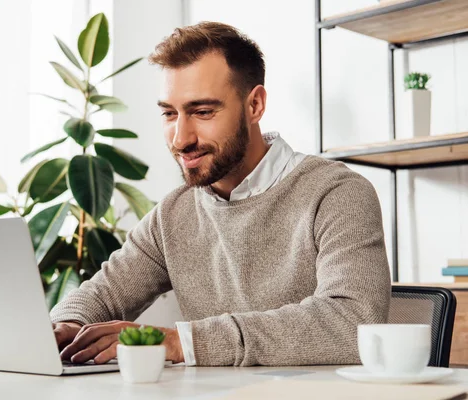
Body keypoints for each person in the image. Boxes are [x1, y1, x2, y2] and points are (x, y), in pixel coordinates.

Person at [51, 21, 391, 367]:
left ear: (255, 105)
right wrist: (63, 326)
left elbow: (353, 322)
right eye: (169, 113)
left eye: (202, 112)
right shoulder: (175, 213)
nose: (180, 138)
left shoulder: (336, 193)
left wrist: (184, 343)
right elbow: (103, 294)